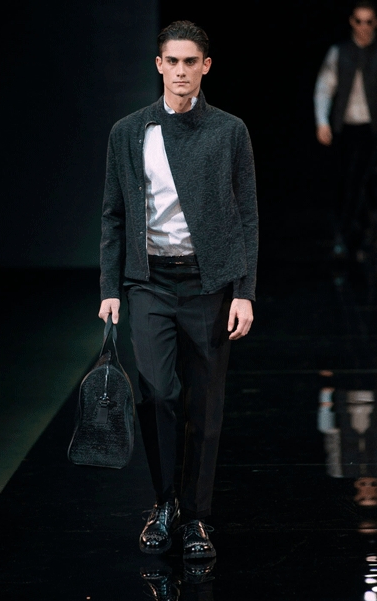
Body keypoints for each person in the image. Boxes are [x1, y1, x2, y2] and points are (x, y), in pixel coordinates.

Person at [98, 20, 258, 559]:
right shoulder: (128, 132)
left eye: (192, 62)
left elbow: (247, 213)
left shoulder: (229, 130)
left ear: (205, 66)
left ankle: (197, 518)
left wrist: (244, 290)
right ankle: (164, 503)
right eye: (173, 61)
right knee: (159, 393)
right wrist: (110, 285)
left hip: (208, 283)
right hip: (149, 282)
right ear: (159, 65)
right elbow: (113, 214)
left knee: (206, 406)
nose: (182, 71)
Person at [314, 0, 377, 260]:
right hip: (346, 128)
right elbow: (324, 87)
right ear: (352, 22)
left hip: (372, 128)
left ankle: (358, 236)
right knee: (346, 183)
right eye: (359, 21)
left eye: (369, 21)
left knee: (366, 183)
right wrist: (322, 121)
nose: (363, 27)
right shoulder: (339, 52)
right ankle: (346, 235)